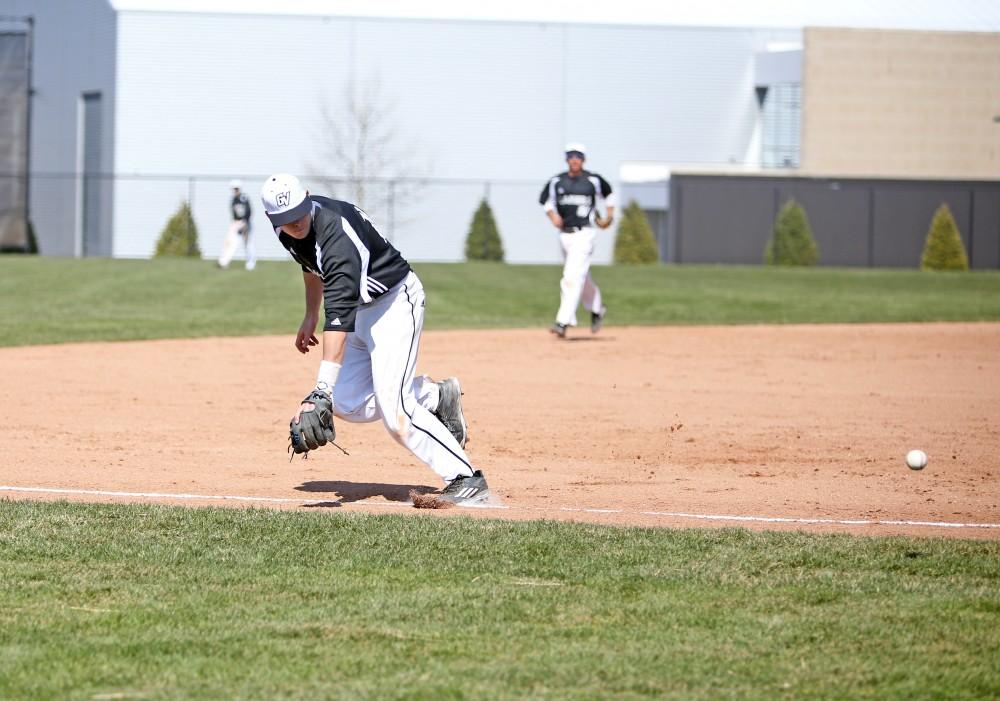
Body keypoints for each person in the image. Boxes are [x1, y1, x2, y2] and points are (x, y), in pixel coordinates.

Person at [260, 173, 491, 506]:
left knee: (396, 414)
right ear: (271, 218)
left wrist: (320, 387)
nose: (294, 223)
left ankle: (466, 478)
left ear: (308, 196)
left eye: (298, 212)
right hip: (361, 308)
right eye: (284, 219)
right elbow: (311, 266)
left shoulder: (337, 238)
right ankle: (434, 396)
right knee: (344, 402)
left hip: (394, 303)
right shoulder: (286, 228)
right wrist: (310, 313)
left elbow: (338, 319)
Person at [538, 142, 616, 338]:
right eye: (571, 155)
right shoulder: (557, 181)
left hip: (584, 234)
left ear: (583, 159)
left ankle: (563, 321)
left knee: (571, 277)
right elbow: (545, 200)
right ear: (566, 159)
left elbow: (609, 194)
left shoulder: (593, 180)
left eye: (578, 156)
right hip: (565, 235)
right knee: (581, 276)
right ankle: (597, 307)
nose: (574, 159)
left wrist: (609, 216)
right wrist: (552, 215)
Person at [218, 180, 257, 270]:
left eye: (236, 189)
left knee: (248, 243)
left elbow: (249, 211)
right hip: (236, 222)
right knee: (230, 242)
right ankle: (224, 261)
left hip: (245, 222)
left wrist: (245, 223)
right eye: (234, 189)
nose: (235, 191)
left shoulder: (244, 198)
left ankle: (251, 262)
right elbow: (233, 213)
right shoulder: (233, 200)